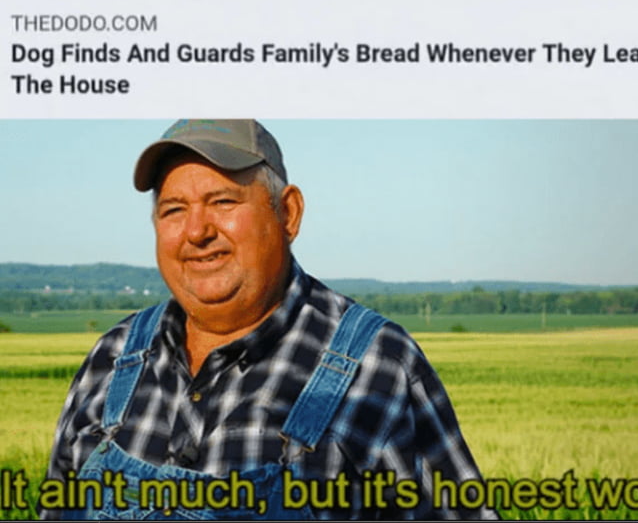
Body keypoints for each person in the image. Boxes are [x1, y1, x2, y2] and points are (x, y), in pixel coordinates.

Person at [43, 120, 499, 521]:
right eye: (174, 210)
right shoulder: (113, 357)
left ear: (289, 213)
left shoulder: (378, 366)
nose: (197, 232)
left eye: (222, 201)